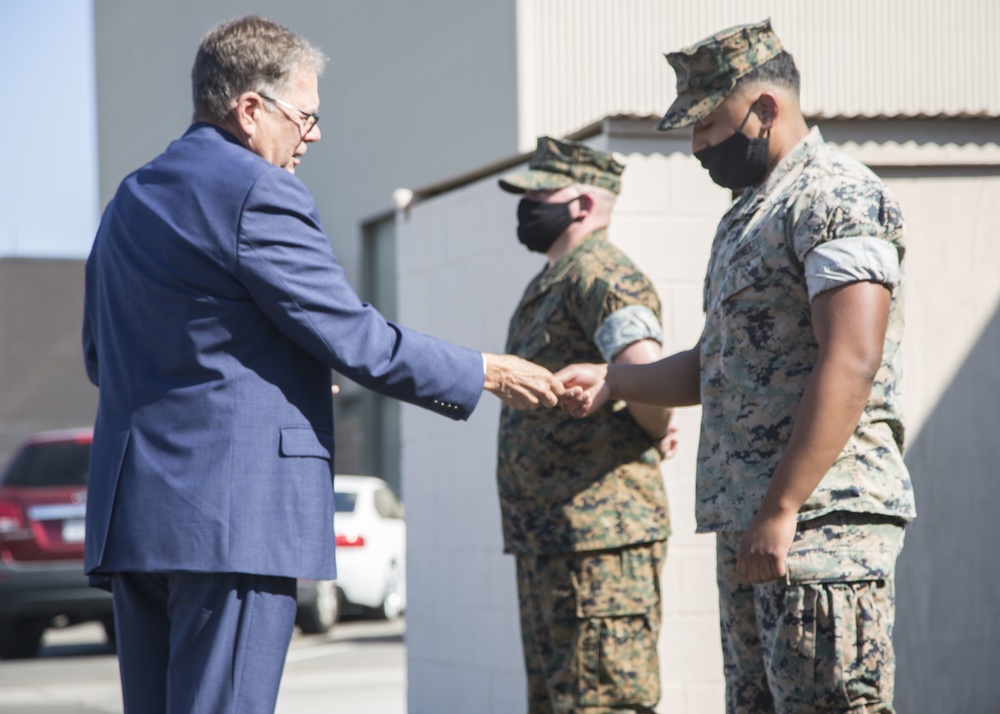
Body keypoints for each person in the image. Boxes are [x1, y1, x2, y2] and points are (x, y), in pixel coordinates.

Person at [81, 15, 563, 714]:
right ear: (251, 110)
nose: (314, 134)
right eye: (304, 116)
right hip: (231, 519)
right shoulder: (257, 191)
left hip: (137, 522)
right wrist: (487, 371)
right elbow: (356, 338)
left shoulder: (130, 198)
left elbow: (103, 355)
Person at [558, 20, 915, 714]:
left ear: (765, 108)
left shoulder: (836, 196)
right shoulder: (748, 216)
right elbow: (717, 362)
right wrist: (615, 381)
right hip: (757, 533)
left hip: (820, 533)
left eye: (706, 124)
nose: (696, 147)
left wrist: (782, 508)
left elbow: (854, 355)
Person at [496, 136, 676, 714]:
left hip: (601, 546)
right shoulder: (556, 277)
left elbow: (643, 370)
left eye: (538, 193)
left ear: (580, 205)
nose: (526, 206)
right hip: (556, 540)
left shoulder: (602, 272)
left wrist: (652, 429)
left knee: (605, 703)